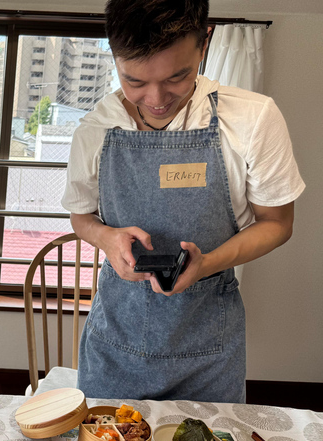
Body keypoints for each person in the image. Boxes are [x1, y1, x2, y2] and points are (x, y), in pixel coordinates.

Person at [62, 0, 305, 402]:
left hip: (208, 347)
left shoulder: (252, 118)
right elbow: (81, 217)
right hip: (115, 342)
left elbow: (277, 222)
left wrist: (207, 263)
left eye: (178, 76)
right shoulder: (96, 128)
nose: (156, 98)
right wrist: (107, 239)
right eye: (134, 81)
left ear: (204, 42)